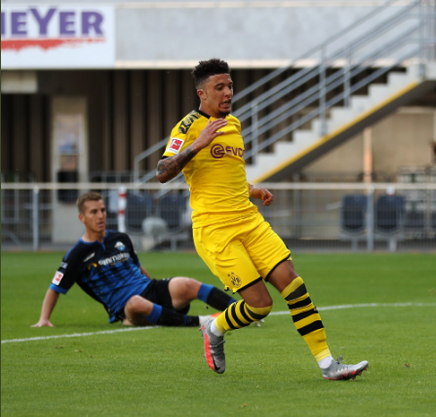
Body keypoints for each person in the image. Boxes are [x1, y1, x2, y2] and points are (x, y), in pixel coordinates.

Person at [156, 58, 368, 380]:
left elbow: (227, 174)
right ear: (202, 94)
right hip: (215, 231)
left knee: (294, 285)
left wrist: (252, 189)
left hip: (249, 221)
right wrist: (199, 144)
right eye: (220, 87)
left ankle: (328, 365)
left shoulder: (234, 124)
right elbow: (161, 172)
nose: (228, 92)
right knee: (260, 305)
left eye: (230, 85)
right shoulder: (186, 128)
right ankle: (214, 327)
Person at [33, 192, 236, 328]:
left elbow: (138, 267)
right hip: (126, 309)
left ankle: (239, 311)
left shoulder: (120, 238)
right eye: (93, 212)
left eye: (102, 210)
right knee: (136, 302)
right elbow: (55, 287)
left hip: (149, 290)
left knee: (187, 283)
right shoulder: (76, 255)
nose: (100, 216)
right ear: (82, 218)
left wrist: (157, 287)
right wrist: (44, 319)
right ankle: (202, 322)